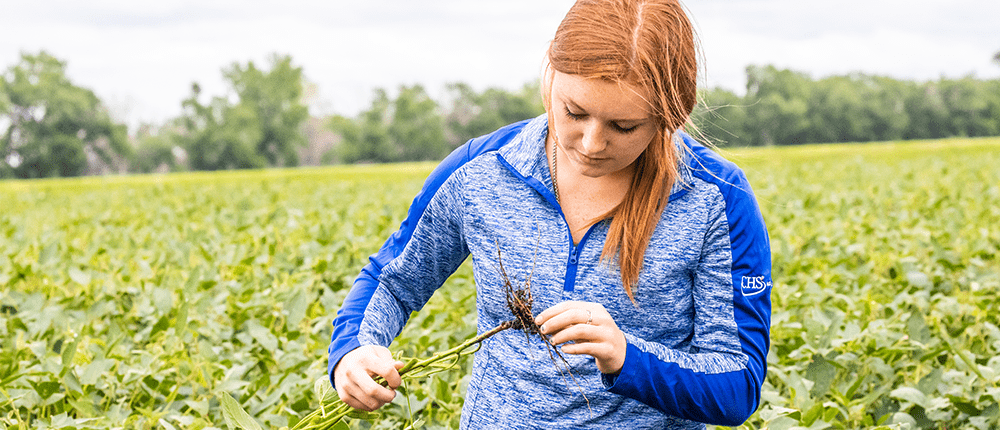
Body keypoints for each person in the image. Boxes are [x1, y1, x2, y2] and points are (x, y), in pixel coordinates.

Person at [327, 0, 772, 428]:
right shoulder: (480, 170)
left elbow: (738, 383)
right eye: (574, 112)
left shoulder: (717, 200)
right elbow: (393, 279)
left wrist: (626, 356)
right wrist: (354, 351)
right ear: (551, 75)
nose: (591, 143)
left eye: (624, 126)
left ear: (673, 115)